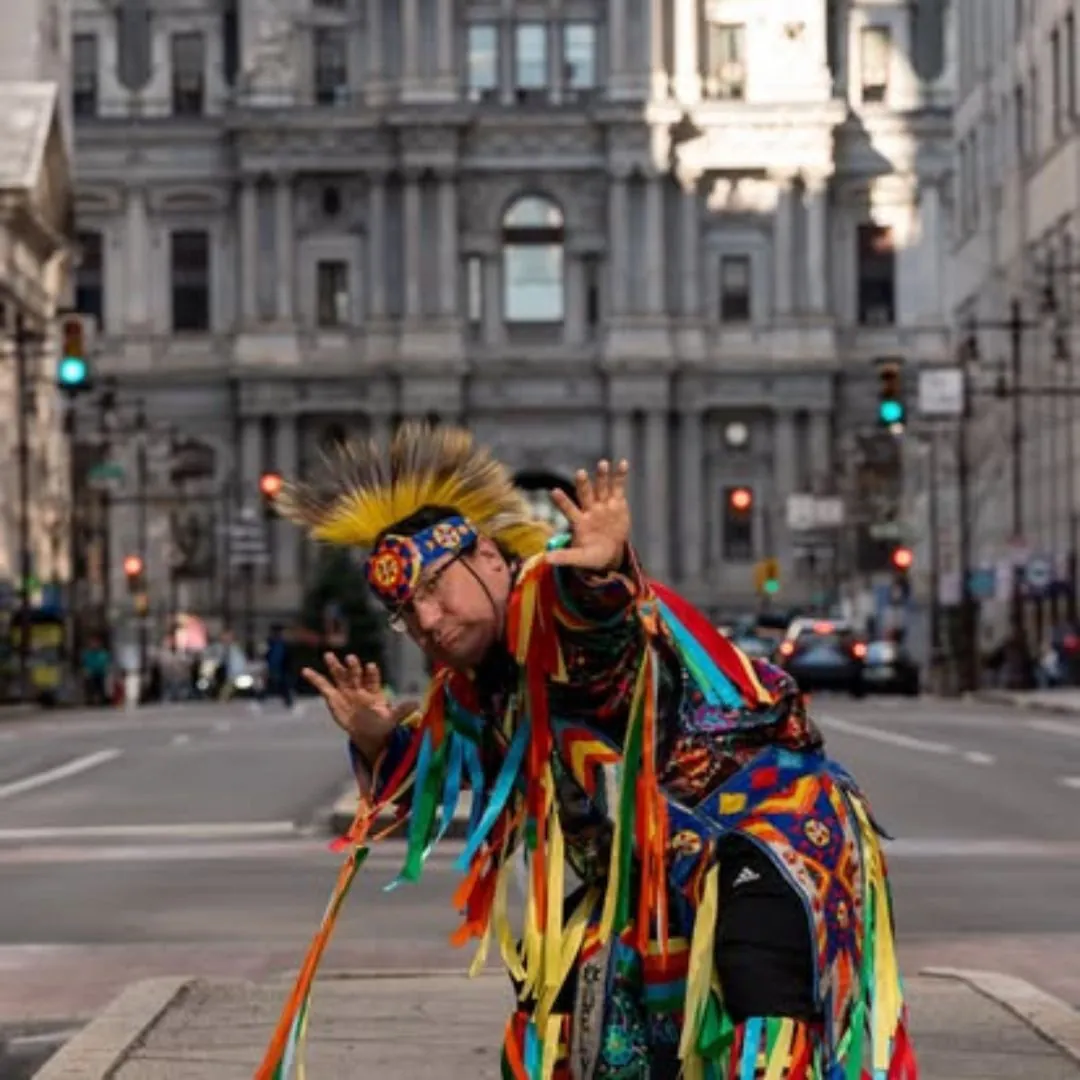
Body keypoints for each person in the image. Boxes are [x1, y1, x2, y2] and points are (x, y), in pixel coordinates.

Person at [257, 423, 915, 1080]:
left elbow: (601, 630)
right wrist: (374, 739)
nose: (426, 621)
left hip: (768, 830)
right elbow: (425, 785)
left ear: (489, 557)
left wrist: (602, 567)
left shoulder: (549, 601)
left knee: (760, 1004)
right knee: (553, 1021)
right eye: (404, 611)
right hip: (646, 878)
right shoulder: (474, 689)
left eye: (433, 588)